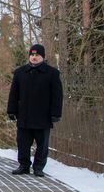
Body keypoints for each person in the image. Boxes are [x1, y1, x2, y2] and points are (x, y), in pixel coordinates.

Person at [6, 44, 63, 178]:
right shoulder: (20, 72)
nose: (34, 57)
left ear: (42, 56)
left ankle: (38, 167)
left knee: (42, 144)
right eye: (32, 55)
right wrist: (11, 110)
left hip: (43, 115)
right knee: (22, 142)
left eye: (37, 55)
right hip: (24, 115)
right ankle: (24, 165)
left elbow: (57, 96)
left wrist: (56, 113)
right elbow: (14, 93)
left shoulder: (52, 73)